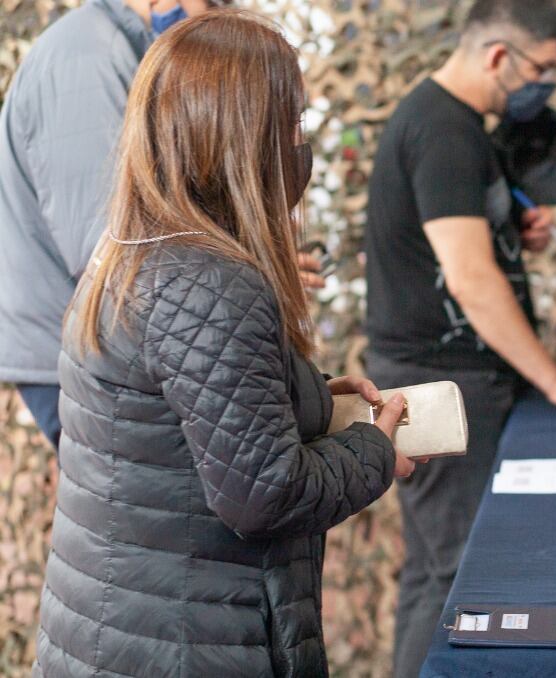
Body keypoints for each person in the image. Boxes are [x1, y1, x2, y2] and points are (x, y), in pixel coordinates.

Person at [34, 11, 417, 676]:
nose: (302, 144)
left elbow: (176, 424)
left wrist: (302, 397)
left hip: (116, 632)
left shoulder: (131, 249)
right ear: (246, 138)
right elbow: (265, 494)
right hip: (185, 643)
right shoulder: (208, 283)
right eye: (293, 124)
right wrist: (373, 446)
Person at [361, 1, 556, 674]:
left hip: (452, 375)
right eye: (542, 70)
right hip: (441, 380)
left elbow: (466, 244)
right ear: (500, 56)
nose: (545, 86)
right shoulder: (443, 131)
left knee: (437, 571)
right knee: (458, 578)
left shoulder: (460, 127)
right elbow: (469, 278)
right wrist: (555, 378)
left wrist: (513, 231)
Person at [0, 0, 220, 448]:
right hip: (82, 350)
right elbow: (109, 244)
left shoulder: (119, 49)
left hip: (98, 343)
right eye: (213, 6)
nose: (212, 24)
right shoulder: (87, 56)